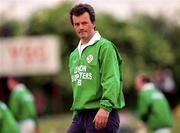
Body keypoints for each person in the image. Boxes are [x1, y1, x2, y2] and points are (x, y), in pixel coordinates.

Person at [67, 3, 125, 133]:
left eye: (84, 23)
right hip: (80, 116)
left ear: (93, 23)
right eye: (77, 24)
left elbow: (112, 79)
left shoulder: (105, 47)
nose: (81, 27)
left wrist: (105, 107)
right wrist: (76, 114)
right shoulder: (73, 55)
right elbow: (78, 88)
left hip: (101, 114)